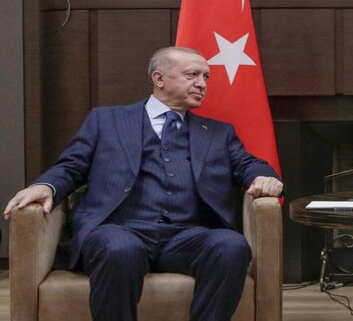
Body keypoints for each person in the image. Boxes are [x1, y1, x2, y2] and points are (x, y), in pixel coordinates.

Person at [4, 46, 284, 321]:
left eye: (206, 77)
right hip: (120, 229)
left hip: (187, 235)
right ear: (159, 78)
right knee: (120, 248)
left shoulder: (217, 133)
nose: (202, 84)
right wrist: (46, 186)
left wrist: (264, 177)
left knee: (231, 245)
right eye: (192, 75)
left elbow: (248, 164)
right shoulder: (106, 120)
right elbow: (71, 166)